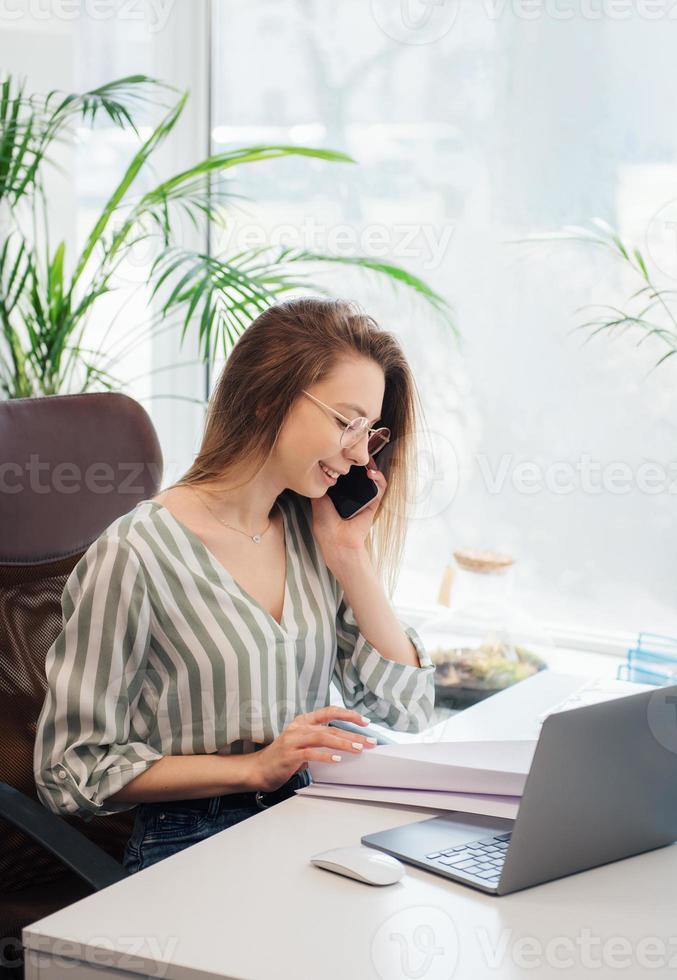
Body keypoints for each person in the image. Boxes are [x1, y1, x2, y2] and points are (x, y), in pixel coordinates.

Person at [33, 296, 436, 874]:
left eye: (368, 431)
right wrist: (251, 768)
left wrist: (351, 557)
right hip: (191, 840)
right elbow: (68, 770)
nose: (356, 452)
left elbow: (408, 707)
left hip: (306, 820)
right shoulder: (136, 552)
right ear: (270, 398)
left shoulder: (313, 534)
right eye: (346, 421)